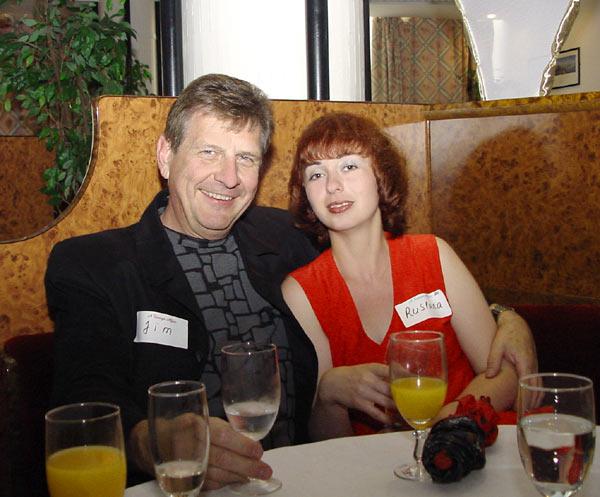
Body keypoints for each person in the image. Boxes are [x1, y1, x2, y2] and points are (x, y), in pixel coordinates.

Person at [47, 74, 534, 490]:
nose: (228, 177)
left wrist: (505, 316)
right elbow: (84, 400)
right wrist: (153, 440)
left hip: (297, 478)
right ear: (165, 154)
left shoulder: (285, 238)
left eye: (245, 158)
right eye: (209, 152)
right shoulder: (95, 264)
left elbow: (385, 268)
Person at [282, 112, 520, 440]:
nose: (333, 186)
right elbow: (329, 448)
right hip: (374, 464)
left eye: (349, 166)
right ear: (306, 194)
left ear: (381, 175)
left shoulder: (434, 255)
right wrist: (329, 395)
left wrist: (444, 424)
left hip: (475, 443)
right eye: (316, 174)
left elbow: (503, 375)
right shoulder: (301, 292)